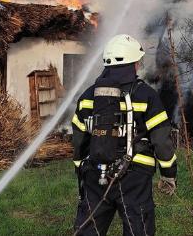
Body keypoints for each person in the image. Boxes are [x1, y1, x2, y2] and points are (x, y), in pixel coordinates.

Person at [72, 34, 178, 236]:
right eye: (138, 61)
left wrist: (81, 170)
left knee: (88, 229)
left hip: (95, 174)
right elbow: (162, 141)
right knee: (139, 229)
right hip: (135, 177)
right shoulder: (147, 96)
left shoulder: (87, 96)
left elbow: (78, 140)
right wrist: (168, 173)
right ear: (134, 64)